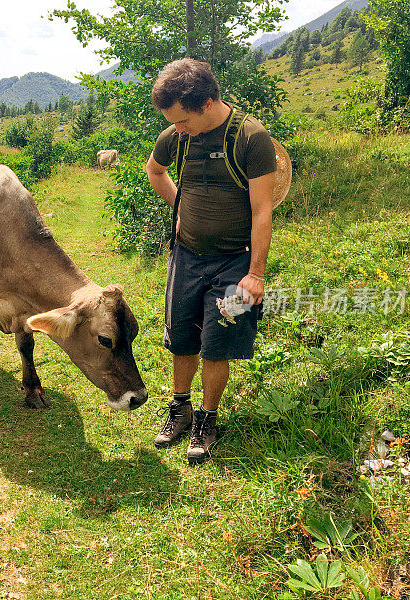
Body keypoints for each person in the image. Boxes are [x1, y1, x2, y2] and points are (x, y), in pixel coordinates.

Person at [145, 58, 277, 464]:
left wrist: (255, 274)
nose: (176, 128)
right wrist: (180, 209)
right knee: (181, 336)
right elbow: (155, 171)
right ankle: (180, 408)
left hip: (235, 263)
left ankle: (208, 419)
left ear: (207, 102)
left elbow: (262, 211)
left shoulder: (252, 139)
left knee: (217, 344)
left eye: (182, 120)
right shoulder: (178, 137)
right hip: (186, 256)